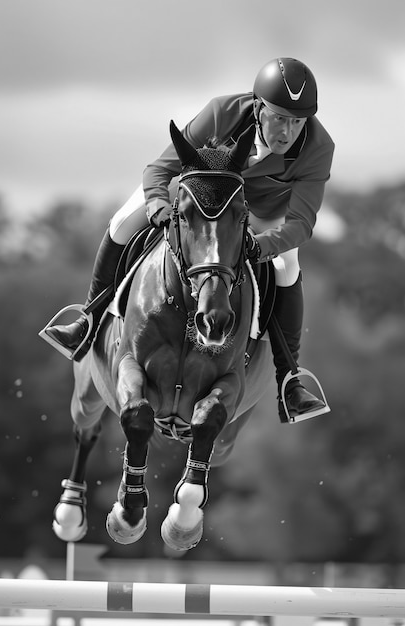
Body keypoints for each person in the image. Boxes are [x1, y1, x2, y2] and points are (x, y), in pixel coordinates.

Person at [46, 57, 334, 422]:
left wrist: (262, 246)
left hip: (260, 214)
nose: (287, 132)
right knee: (121, 222)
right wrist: (156, 205)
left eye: (297, 121)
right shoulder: (222, 112)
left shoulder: (319, 147)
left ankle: (289, 379)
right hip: (198, 198)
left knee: (287, 264)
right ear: (259, 107)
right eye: (279, 117)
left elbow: (302, 222)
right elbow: (160, 168)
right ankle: (88, 320)